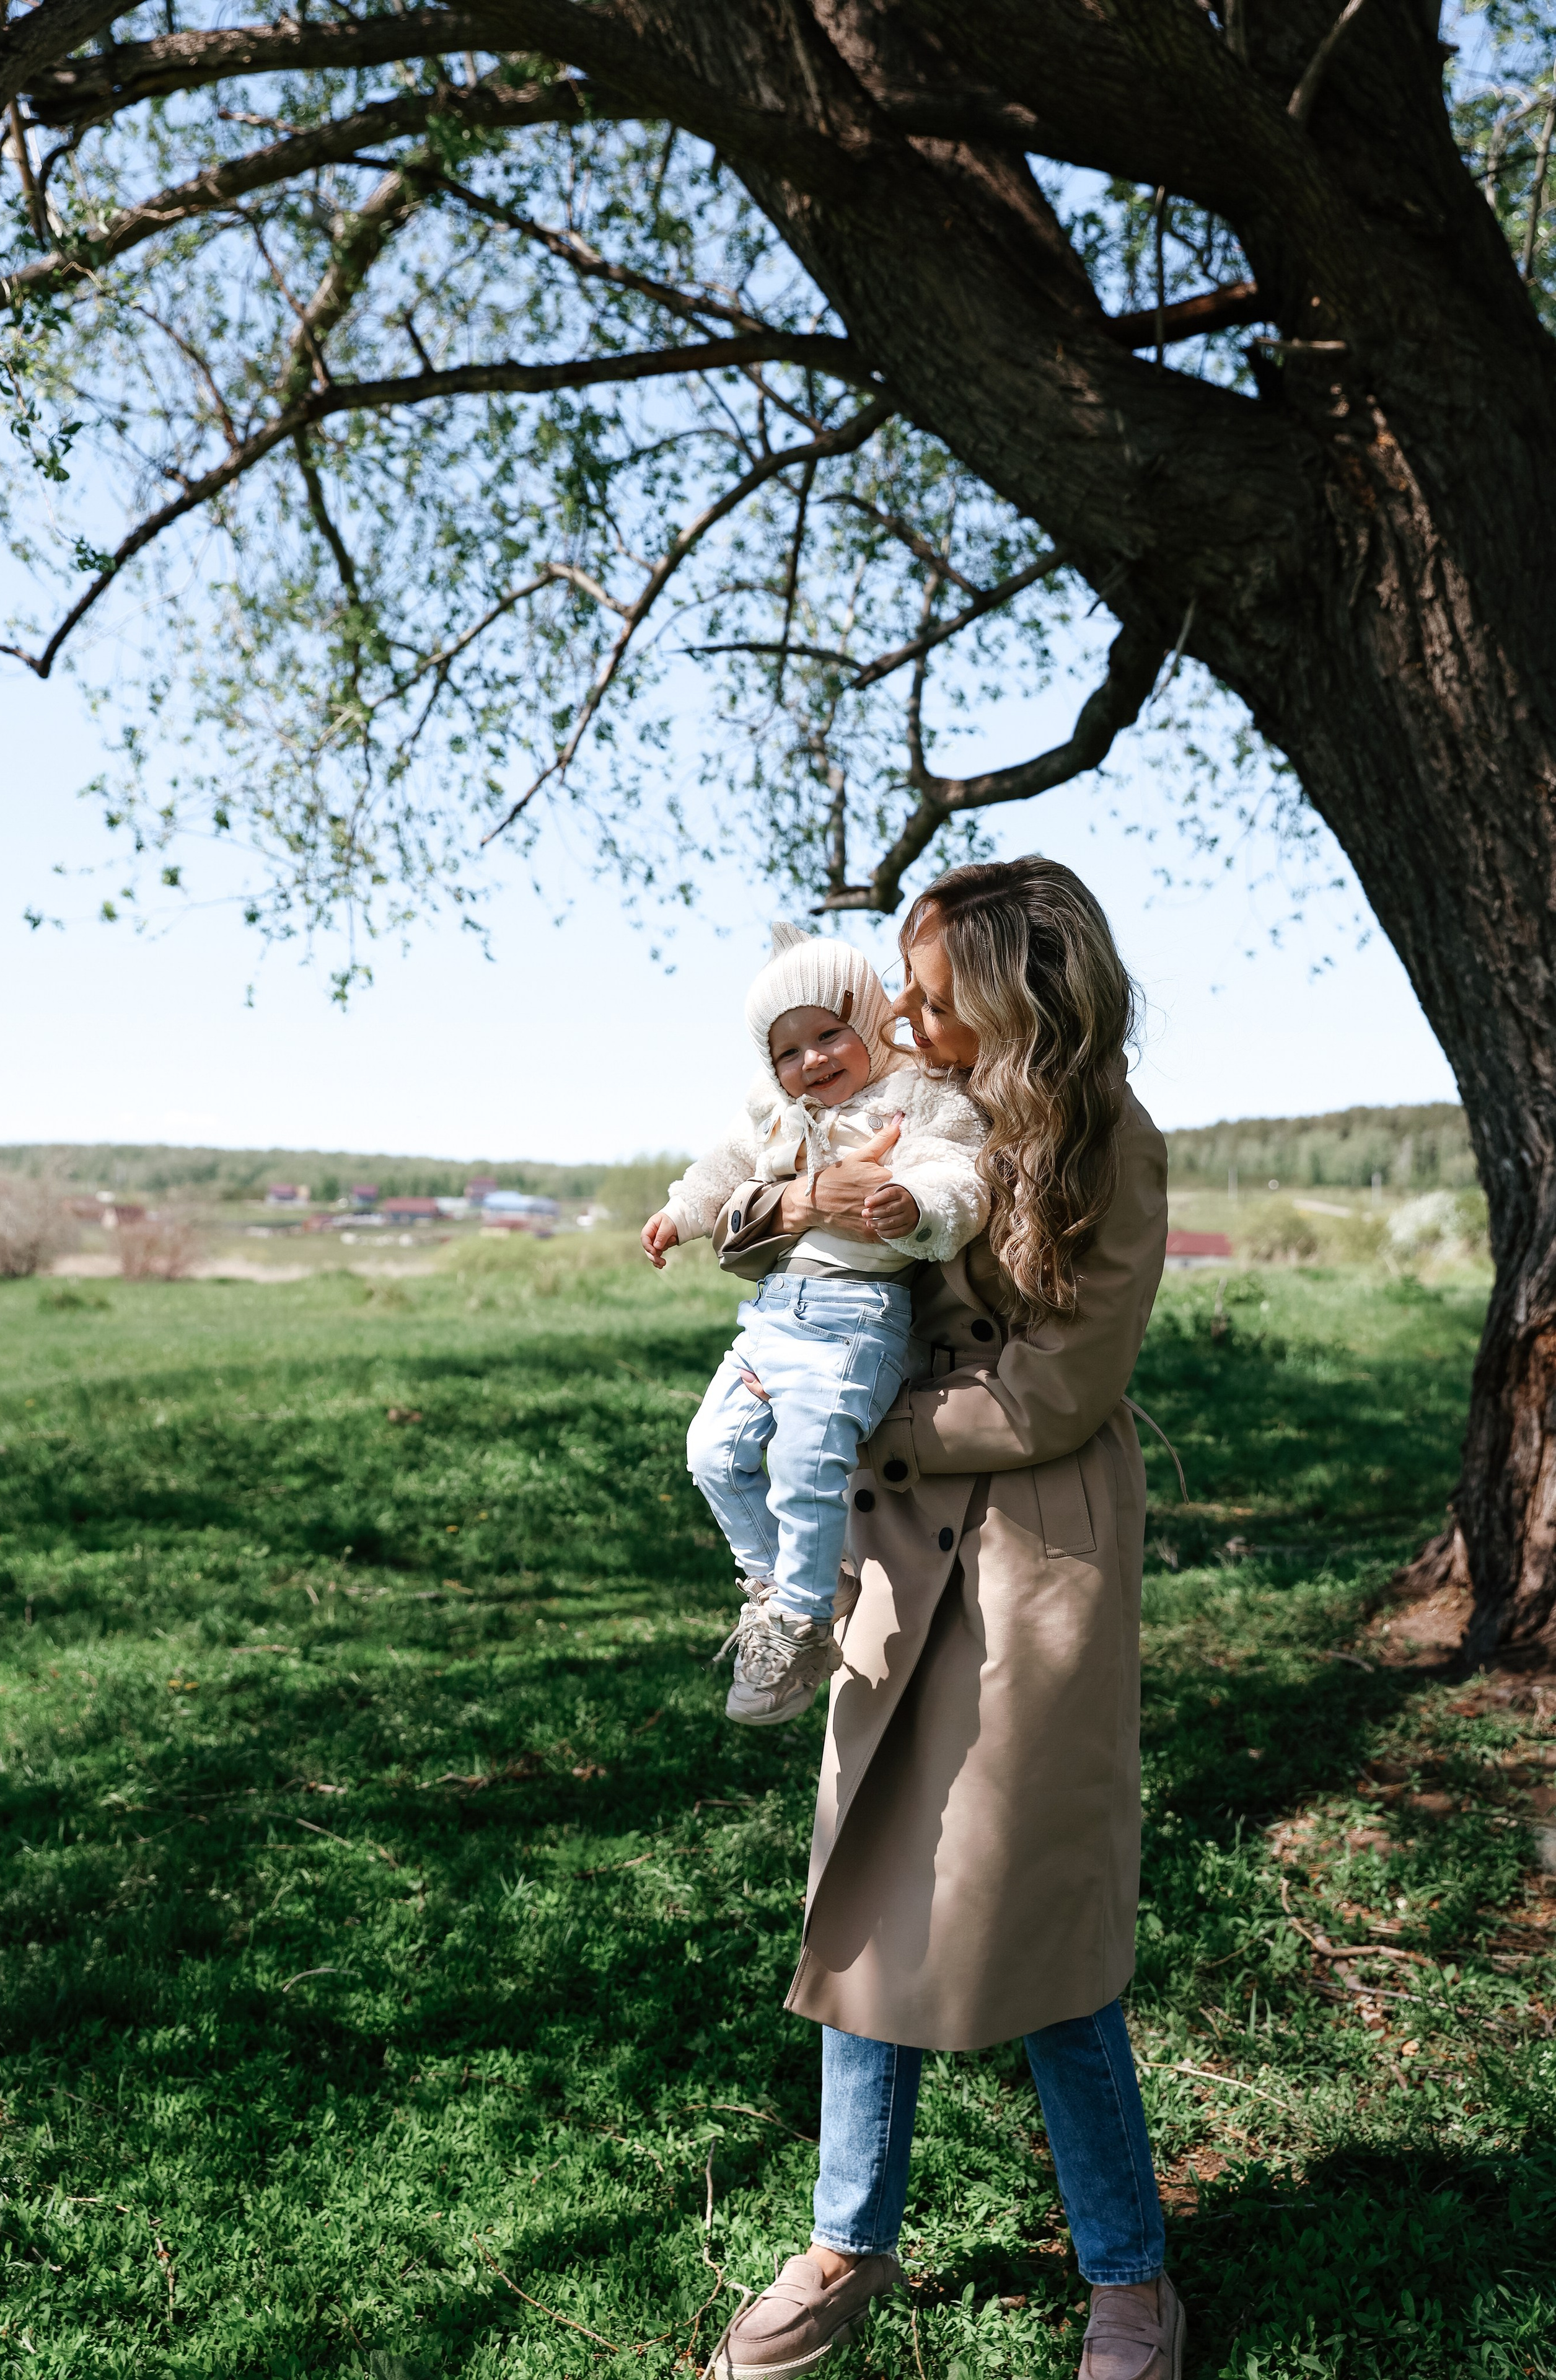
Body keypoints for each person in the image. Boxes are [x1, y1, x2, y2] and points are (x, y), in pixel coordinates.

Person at [707, 860, 1183, 2380]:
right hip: (888, 1544)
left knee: (1038, 1914)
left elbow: (1060, 1386)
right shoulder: (887, 1085)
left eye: (927, 989)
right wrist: (789, 1202)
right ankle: (848, 2237)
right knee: (867, 1891)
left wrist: (859, 1421)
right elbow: (749, 1214)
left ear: (1016, 992)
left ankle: (1128, 2278)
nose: (898, 1014)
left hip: (1034, 1553)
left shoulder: (1109, 1141)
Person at [641, 922, 987, 1724]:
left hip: (854, 1317)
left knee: (806, 1462)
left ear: (867, 1021)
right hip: (773, 1314)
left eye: (830, 1035)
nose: (813, 1062)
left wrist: (915, 1205)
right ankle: (785, 1587)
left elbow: (957, 1176)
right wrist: (679, 1214)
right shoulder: (773, 1111)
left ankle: (801, 1628)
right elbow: (720, 1170)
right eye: (789, 1052)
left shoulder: (914, 1098)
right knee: (713, 1452)